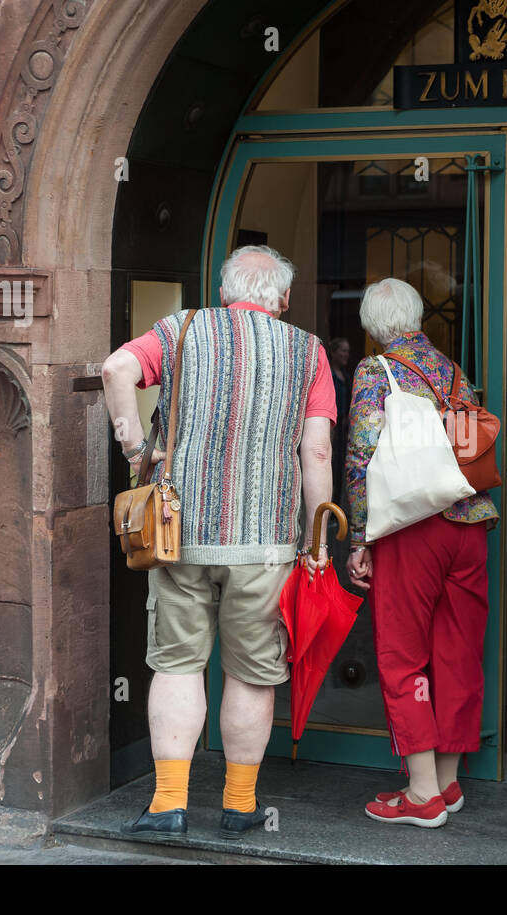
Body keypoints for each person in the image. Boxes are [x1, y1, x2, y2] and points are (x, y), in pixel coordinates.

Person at [101, 246, 337, 840]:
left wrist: (136, 451)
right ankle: (238, 805)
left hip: (181, 536)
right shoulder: (308, 352)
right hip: (265, 547)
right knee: (252, 676)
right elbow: (316, 452)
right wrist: (318, 541)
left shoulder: (180, 330)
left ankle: (168, 806)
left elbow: (114, 371)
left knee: (178, 668)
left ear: (226, 289)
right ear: (281, 299)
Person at [343, 278, 498, 828]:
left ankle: (421, 794)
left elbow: (362, 455)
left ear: (371, 325)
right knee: (457, 651)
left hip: (413, 528)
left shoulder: (374, 370)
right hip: (469, 522)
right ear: (416, 317)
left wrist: (359, 538)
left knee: (402, 654)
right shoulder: (452, 370)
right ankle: (449, 782)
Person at [328, 336, 352, 504]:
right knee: (331, 466)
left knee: (342, 468)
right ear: (334, 352)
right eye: (343, 350)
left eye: (348, 351)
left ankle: (337, 507)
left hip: (344, 427)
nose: (346, 355)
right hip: (331, 426)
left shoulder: (346, 375)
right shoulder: (328, 374)